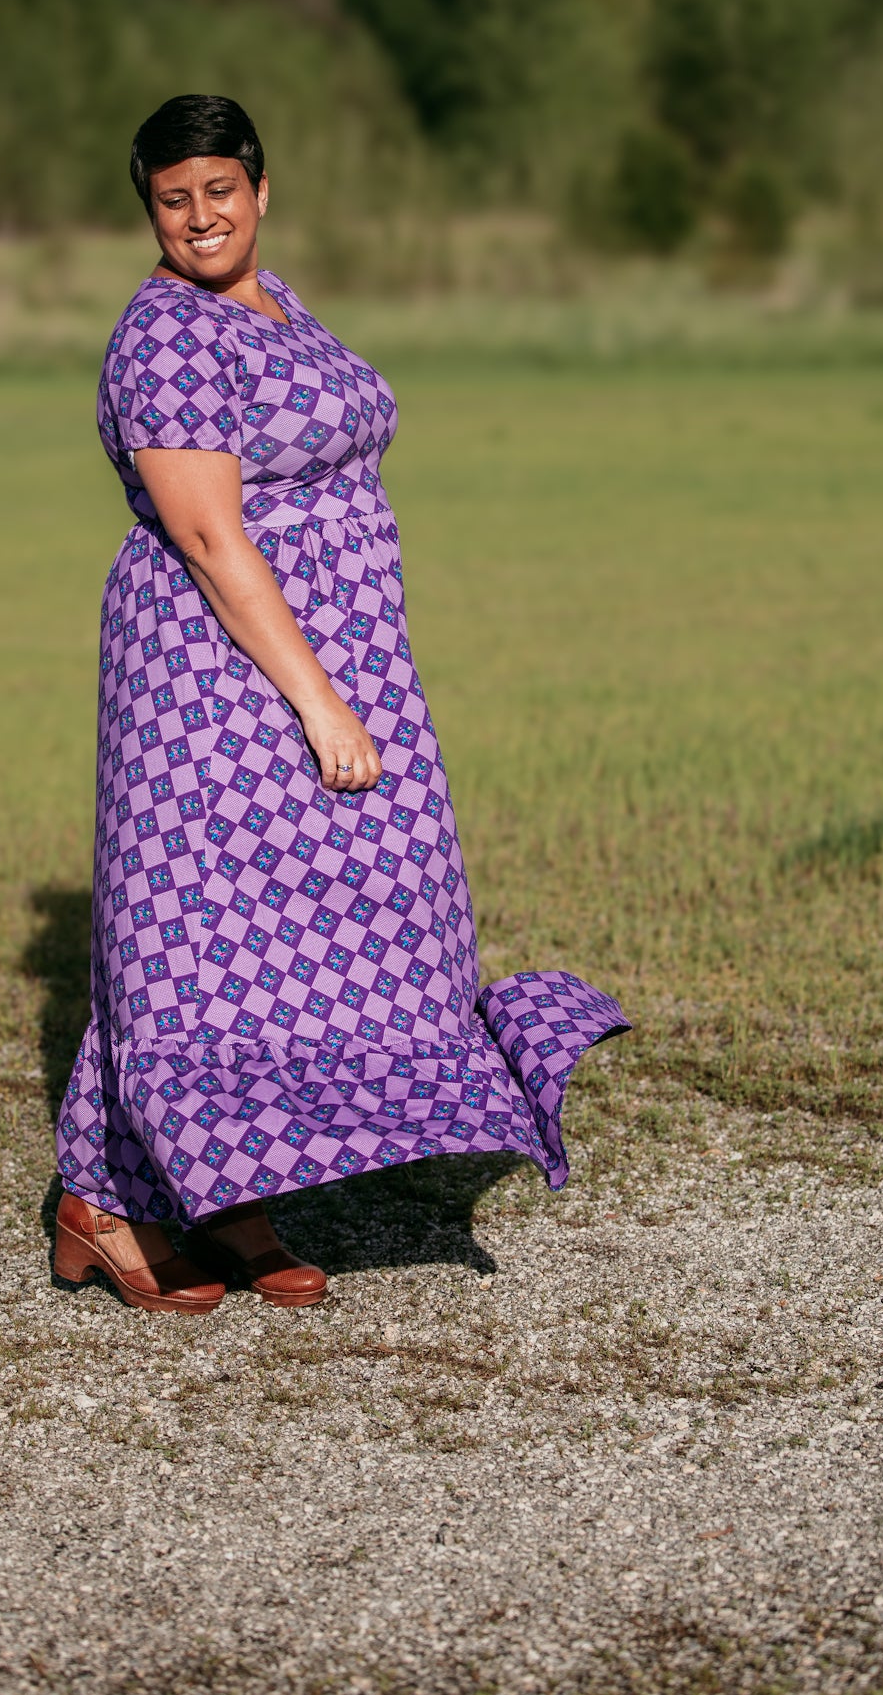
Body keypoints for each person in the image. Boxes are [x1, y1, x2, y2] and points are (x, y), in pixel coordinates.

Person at [53, 94, 630, 1315]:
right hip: (220, 671)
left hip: (341, 655)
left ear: (261, 191)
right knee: (201, 939)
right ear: (148, 210)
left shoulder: (276, 302)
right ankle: (111, 1204)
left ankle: (223, 1189)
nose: (201, 216)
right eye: (173, 198)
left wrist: (354, 680)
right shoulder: (165, 338)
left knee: (335, 913)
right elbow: (210, 535)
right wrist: (319, 702)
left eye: (220, 190)